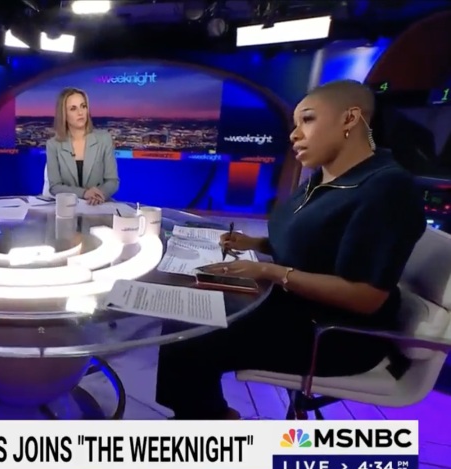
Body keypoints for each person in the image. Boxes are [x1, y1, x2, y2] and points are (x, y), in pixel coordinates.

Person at [155, 80, 426, 420]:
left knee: (190, 340)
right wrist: (254, 244)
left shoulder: (387, 188)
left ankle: (210, 421)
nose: (294, 135)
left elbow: (366, 297)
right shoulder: (322, 178)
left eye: (307, 120)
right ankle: (197, 412)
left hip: (333, 334)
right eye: (295, 124)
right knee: (183, 313)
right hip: (290, 305)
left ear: (350, 119)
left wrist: (269, 270)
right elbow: (314, 244)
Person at [46, 87, 119, 205]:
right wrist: (84, 193)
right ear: (64, 114)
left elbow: (112, 181)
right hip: (67, 207)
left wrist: (99, 194)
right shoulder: (53, 145)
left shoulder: (104, 139)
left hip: (99, 205)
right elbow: (55, 187)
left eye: (83, 106)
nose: (80, 112)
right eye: (73, 108)